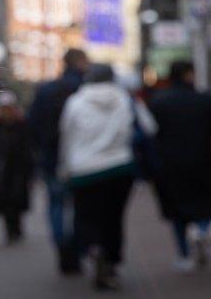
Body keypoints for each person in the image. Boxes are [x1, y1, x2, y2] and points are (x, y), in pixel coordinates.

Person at [58, 64, 137, 291]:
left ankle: (94, 249)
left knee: (86, 216)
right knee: (114, 218)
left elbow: (67, 136)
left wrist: (64, 167)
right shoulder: (122, 99)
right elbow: (132, 131)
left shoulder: (76, 102)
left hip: (84, 170)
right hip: (120, 167)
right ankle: (111, 262)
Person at [27, 48, 89, 274]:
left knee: (55, 205)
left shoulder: (46, 90)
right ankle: (77, 248)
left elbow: (32, 123)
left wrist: (41, 149)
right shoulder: (85, 89)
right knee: (80, 207)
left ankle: (61, 246)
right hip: (81, 159)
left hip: (51, 158)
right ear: (82, 62)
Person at [146, 60, 211, 271]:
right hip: (202, 162)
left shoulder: (158, 102)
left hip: (170, 164)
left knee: (176, 211)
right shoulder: (203, 100)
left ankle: (184, 255)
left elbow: (150, 136)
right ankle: (201, 231)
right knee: (203, 204)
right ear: (189, 74)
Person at [0, 91, 33, 244]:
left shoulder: (22, 125)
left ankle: (16, 228)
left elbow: (28, 149)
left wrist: (29, 170)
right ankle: (9, 230)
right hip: (1, 171)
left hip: (18, 170)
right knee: (4, 201)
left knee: (16, 200)